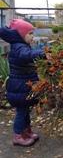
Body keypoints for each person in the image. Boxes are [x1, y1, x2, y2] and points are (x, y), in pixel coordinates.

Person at [0, 19, 45, 147]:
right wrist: (42, 53)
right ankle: (18, 135)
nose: (33, 36)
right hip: (19, 86)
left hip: (24, 85)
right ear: (21, 34)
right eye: (30, 33)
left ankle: (26, 131)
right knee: (21, 112)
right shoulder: (19, 47)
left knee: (25, 110)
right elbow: (27, 55)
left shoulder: (22, 45)